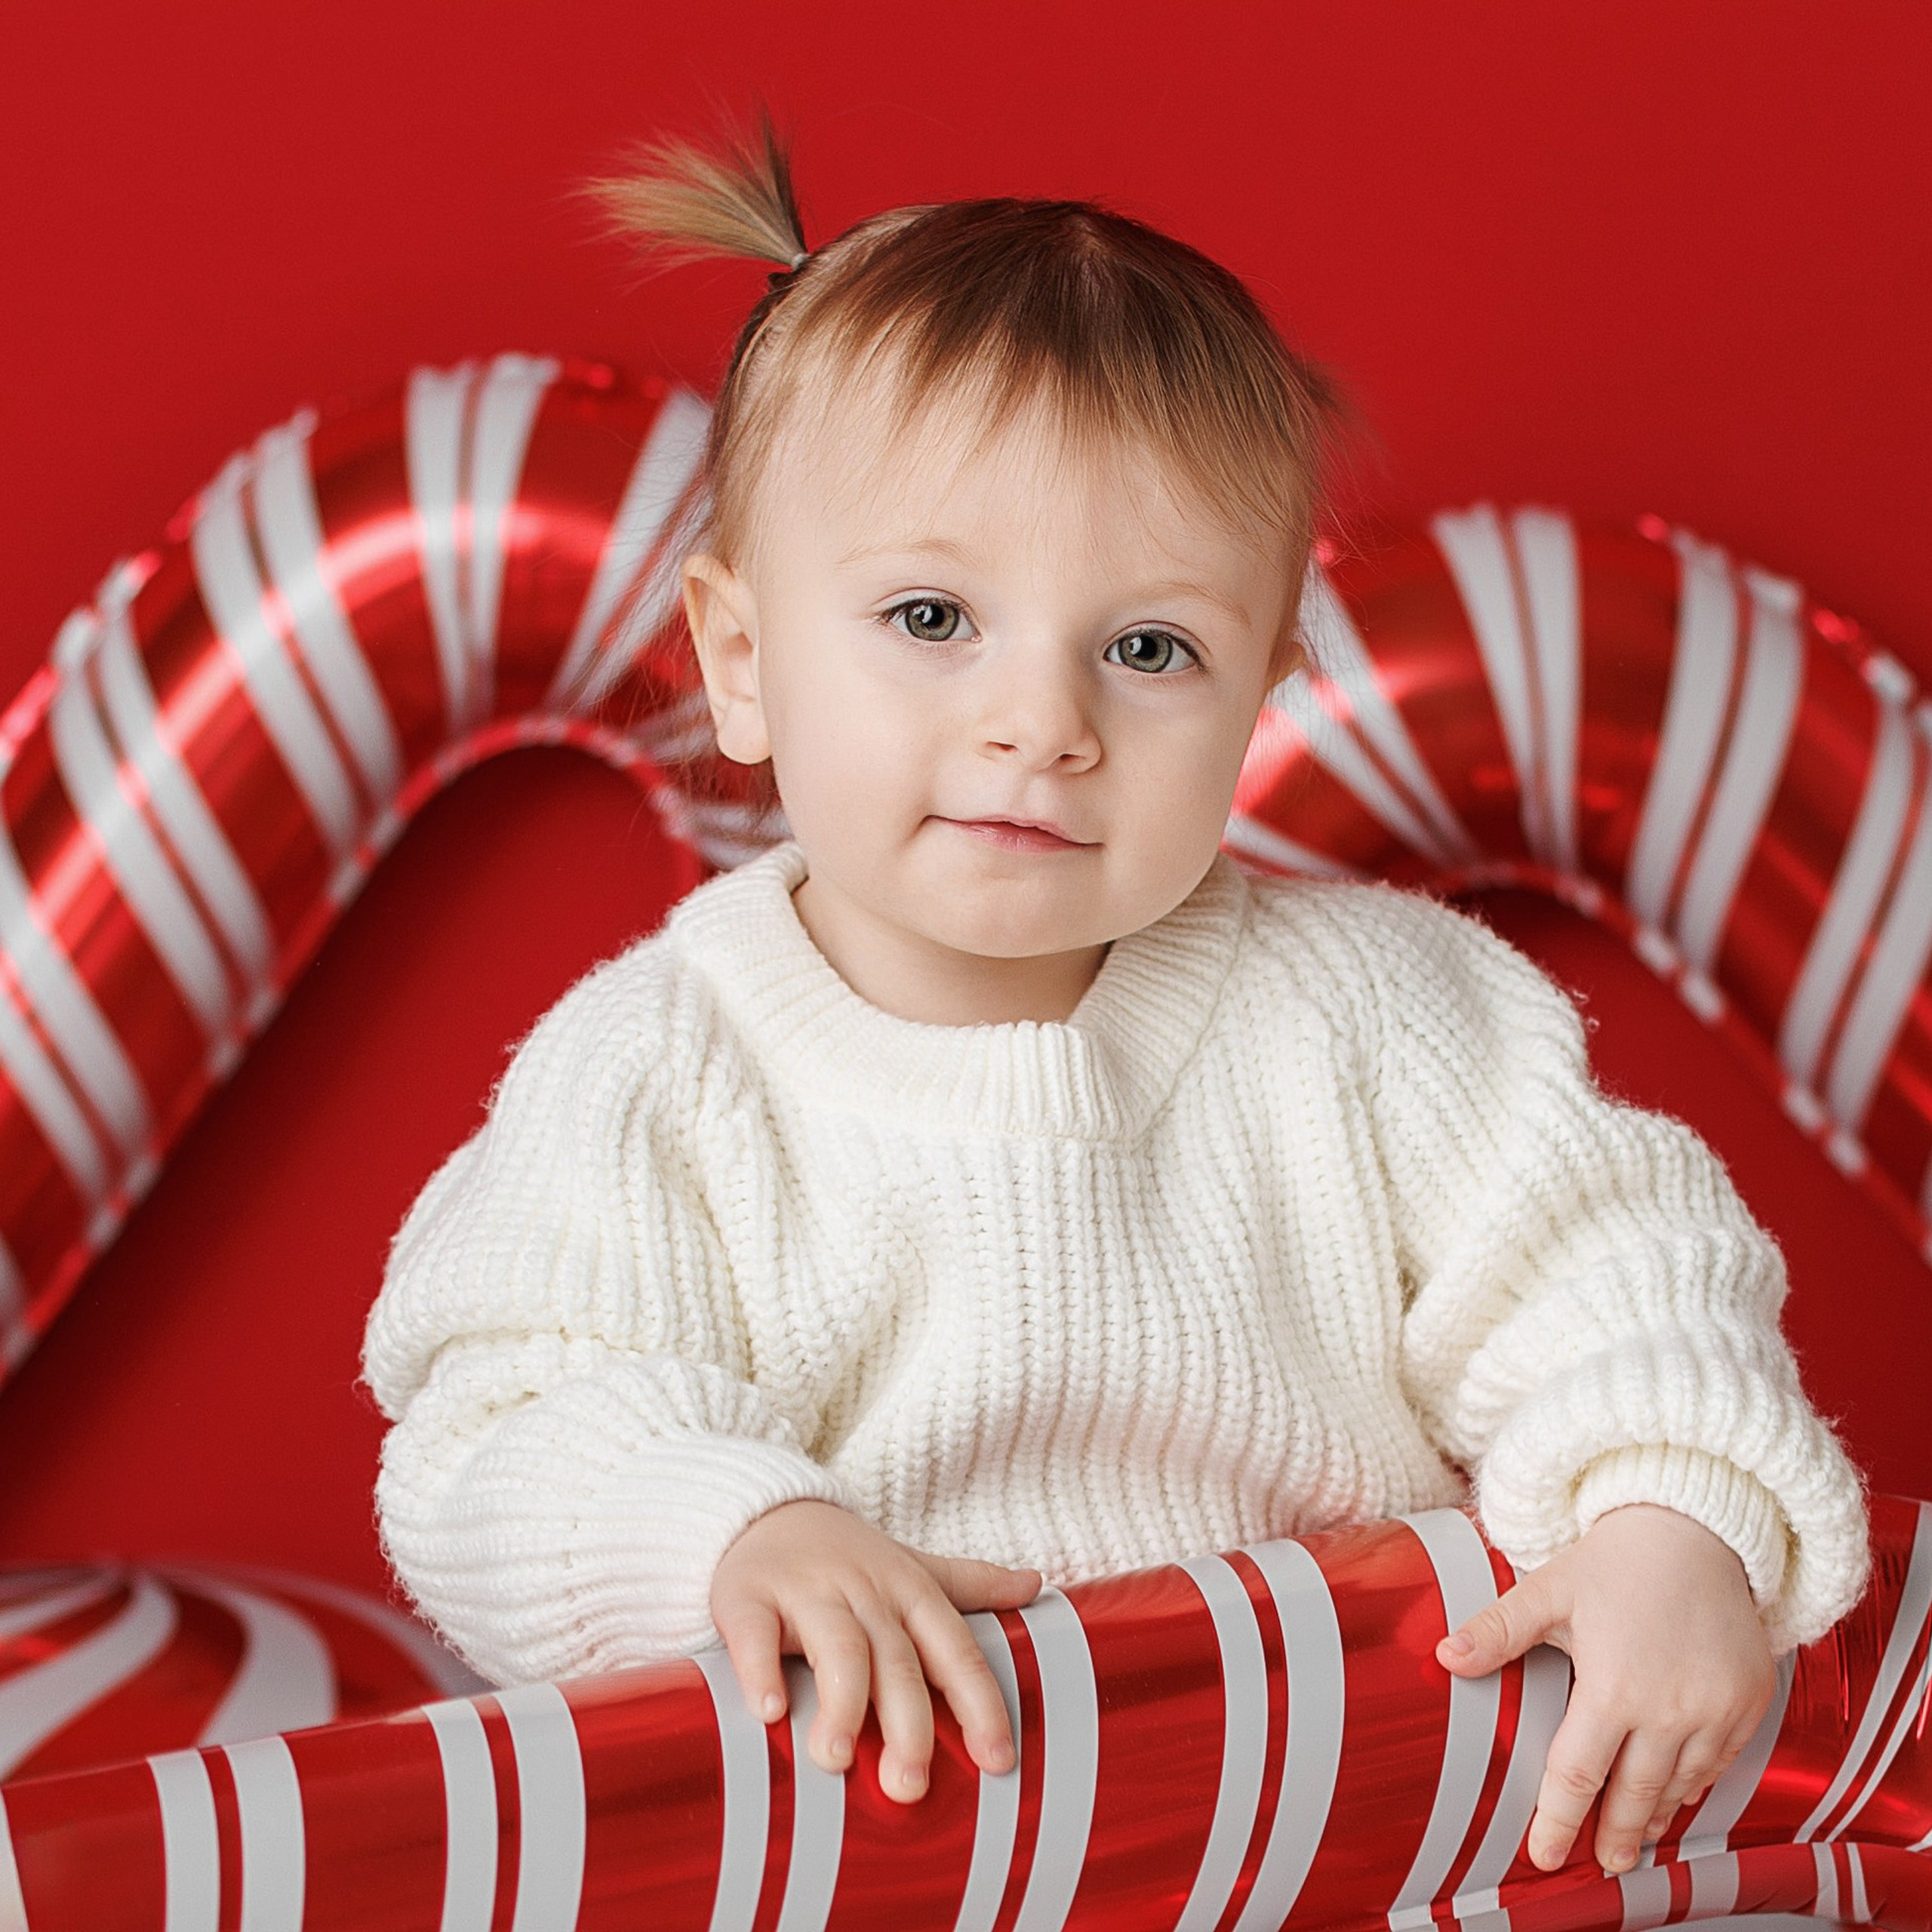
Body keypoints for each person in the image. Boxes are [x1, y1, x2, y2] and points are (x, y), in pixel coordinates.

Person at [360, 112, 1869, 1879]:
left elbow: (1611, 1267)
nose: (1040, 722)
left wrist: (1667, 1506)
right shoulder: (658, 1074)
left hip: (1346, 1833)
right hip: (881, 1846)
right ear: (741, 658)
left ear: (1260, 694)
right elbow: (499, 1424)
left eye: (1147, 648)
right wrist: (728, 1530)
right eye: (932, 618)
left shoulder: (1382, 1018)